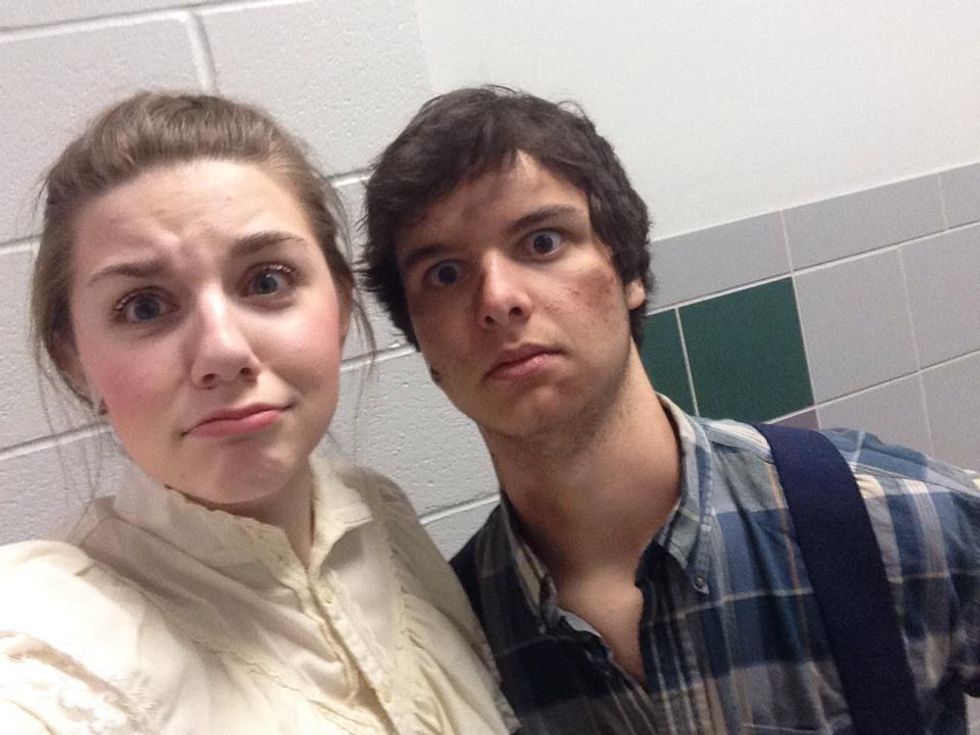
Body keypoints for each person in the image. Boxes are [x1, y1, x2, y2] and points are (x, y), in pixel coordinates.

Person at [361, 85, 980, 733]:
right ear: (423, 342)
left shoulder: (889, 519)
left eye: (542, 242)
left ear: (628, 272)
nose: (497, 298)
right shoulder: (451, 650)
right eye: (445, 273)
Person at [0, 91, 516, 734]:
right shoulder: (48, 649)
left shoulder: (376, 512)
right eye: (144, 307)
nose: (222, 351)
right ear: (76, 359)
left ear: (340, 304)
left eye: (267, 281)